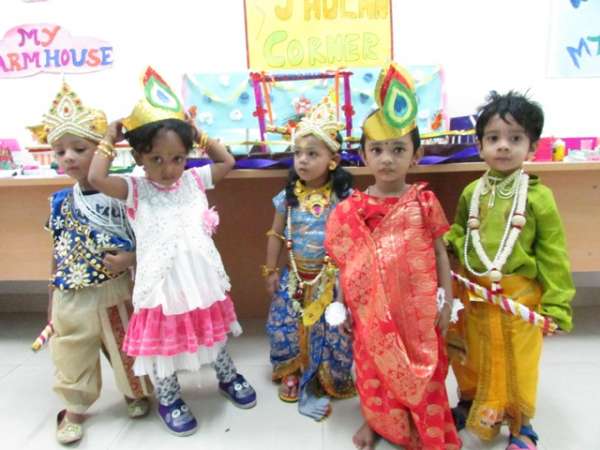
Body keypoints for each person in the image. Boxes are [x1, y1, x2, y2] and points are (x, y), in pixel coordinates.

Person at [88, 67, 256, 437]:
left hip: (200, 279)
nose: (168, 170)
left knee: (212, 330)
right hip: (161, 286)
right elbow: (96, 178)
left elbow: (227, 162)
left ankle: (226, 376)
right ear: (139, 156)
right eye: (157, 160)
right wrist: (108, 139)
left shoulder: (194, 180)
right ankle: (169, 397)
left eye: (177, 158)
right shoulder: (135, 189)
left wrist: (199, 133)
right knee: (163, 344)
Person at [324, 63, 461, 450]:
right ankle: (376, 421)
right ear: (363, 155)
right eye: (377, 150)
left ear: (416, 155)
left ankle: (426, 425)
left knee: (424, 372)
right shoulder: (351, 210)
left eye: (398, 149)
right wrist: (340, 305)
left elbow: (440, 253)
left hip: (417, 313)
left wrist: (447, 301)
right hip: (370, 313)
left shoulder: (424, 202)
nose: (387, 158)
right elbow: (346, 265)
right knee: (373, 370)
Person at [445, 91, 575, 450]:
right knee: (470, 355)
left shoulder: (538, 197)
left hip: (518, 299)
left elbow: (553, 254)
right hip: (474, 294)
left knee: (518, 363)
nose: (503, 146)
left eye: (515, 138)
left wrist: (557, 304)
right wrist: (447, 241)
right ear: (480, 146)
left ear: (532, 147)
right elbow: (461, 232)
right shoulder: (472, 192)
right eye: (493, 138)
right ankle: (469, 403)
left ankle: (522, 426)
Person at [29, 82, 152, 445]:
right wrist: (51, 293)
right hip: (70, 293)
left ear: (100, 150)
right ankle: (74, 407)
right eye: (60, 151)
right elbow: (57, 249)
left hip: (115, 288)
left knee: (125, 344)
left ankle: (134, 392)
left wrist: (132, 259)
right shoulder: (59, 201)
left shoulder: (121, 193)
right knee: (71, 350)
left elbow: (147, 237)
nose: (68, 157)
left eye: (79, 149)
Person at [264, 100, 355, 421]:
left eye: (312, 154)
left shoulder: (344, 198)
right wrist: (270, 269)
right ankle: (292, 371)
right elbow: (275, 234)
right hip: (295, 277)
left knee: (333, 329)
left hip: (331, 280)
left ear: (333, 160)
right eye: (298, 153)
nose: (302, 160)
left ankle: (328, 375)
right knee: (286, 325)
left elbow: (352, 243)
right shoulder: (287, 196)